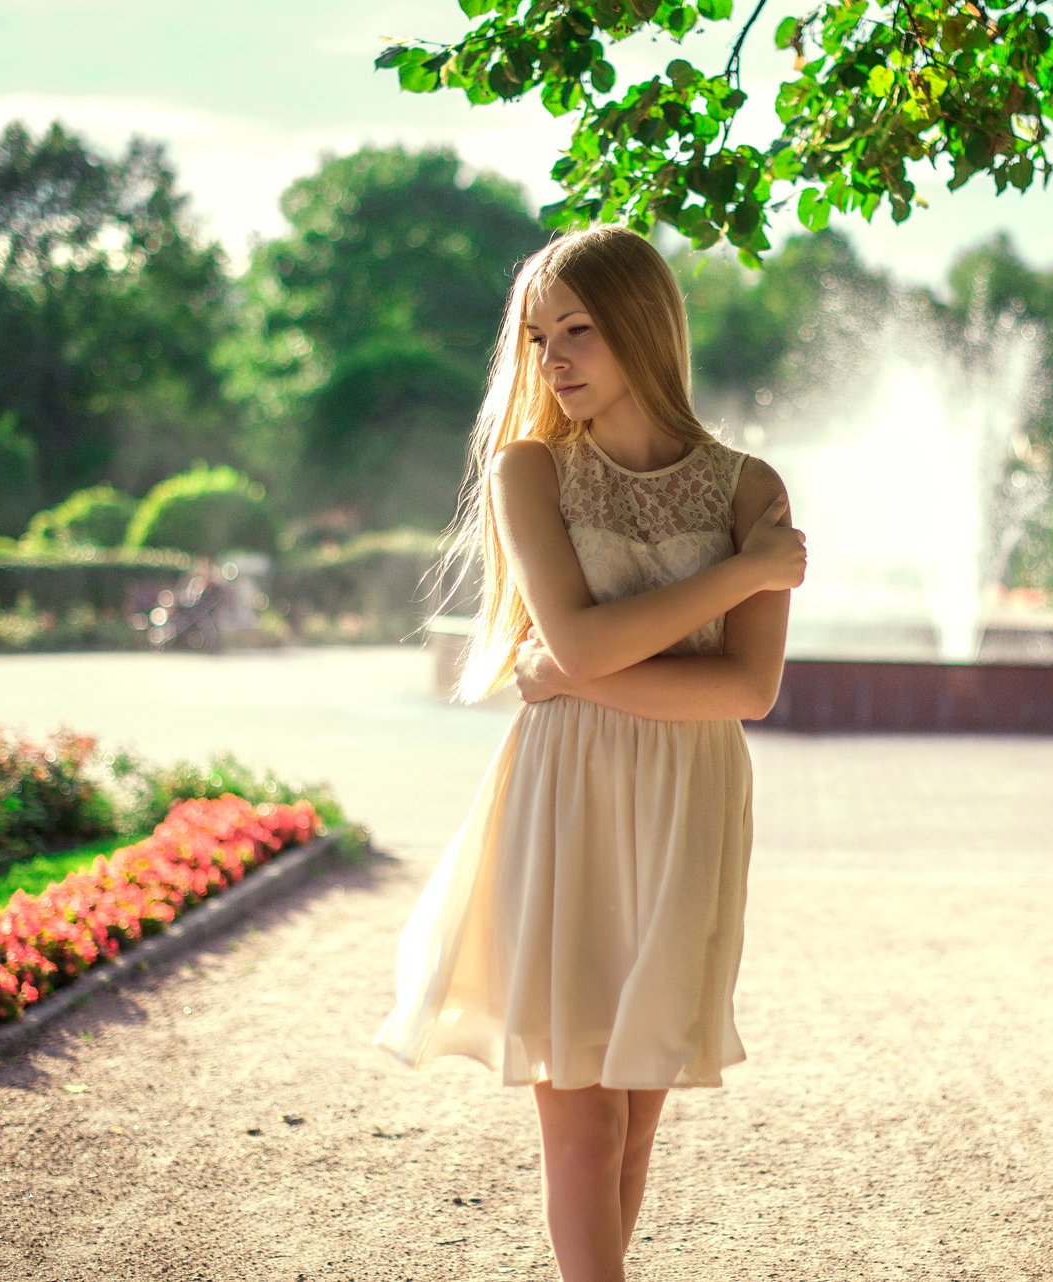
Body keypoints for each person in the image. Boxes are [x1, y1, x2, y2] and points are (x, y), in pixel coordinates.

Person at [372, 223, 806, 1281]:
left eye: (578, 330)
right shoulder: (531, 471)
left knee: (638, 1124)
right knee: (581, 1127)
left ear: (644, 328)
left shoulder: (750, 488)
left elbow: (747, 689)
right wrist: (742, 577)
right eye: (537, 338)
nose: (554, 360)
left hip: (687, 809)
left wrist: (581, 670)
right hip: (564, 802)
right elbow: (576, 640)